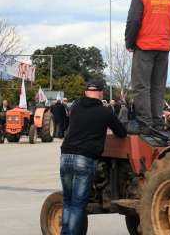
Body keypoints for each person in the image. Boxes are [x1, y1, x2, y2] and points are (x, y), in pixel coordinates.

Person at [59, 80, 127, 235]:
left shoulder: (75, 107)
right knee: (78, 205)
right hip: (84, 159)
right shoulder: (105, 112)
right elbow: (121, 132)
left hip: (65, 156)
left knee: (68, 202)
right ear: (101, 93)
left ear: (85, 92)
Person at [125, 0, 170, 134]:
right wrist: (167, 39)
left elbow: (133, 21)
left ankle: (146, 124)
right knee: (158, 86)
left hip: (144, 48)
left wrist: (129, 43)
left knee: (141, 86)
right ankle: (158, 122)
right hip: (163, 50)